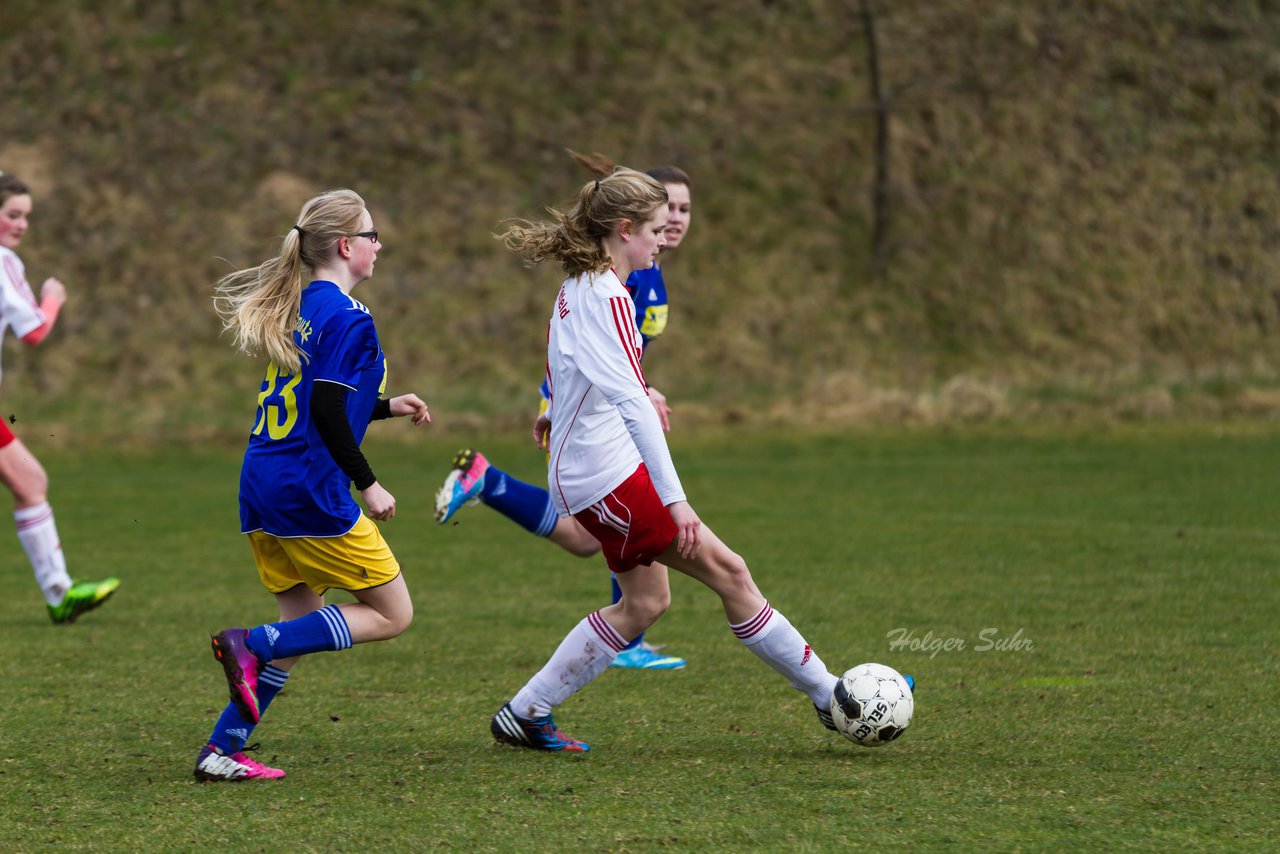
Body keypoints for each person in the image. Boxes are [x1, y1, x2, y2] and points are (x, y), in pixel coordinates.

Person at [486, 166, 878, 752]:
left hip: (594, 465)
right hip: (607, 474)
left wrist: (558, 412)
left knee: (647, 602)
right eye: (653, 229)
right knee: (729, 572)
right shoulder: (610, 296)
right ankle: (833, 698)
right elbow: (630, 404)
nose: (663, 237)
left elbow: (570, 364)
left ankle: (526, 711)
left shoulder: (579, 285)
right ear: (623, 230)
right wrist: (677, 501)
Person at [195, 189, 431, 782]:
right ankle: (252, 643)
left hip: (262, 482)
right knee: (393, 613)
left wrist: (381, 407)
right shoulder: (351, 317)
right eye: (373, 235)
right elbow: (326, 411)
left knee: (300, 629)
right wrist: (368, 484)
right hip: (308, 488)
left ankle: (222, 748)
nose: (380, 245)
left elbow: (316, 403)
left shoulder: (299, 304)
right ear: (348, 246)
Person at [434, 154, 695, 670]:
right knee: (600, 524)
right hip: (586, 405)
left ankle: (489, 483)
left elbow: (623, 353)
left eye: (687, 209)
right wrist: (622, 394)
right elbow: (594, 344)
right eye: (669, 212)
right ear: (633, 224)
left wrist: (644, 386)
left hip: (595, 401)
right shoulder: (624, 276)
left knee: (584, 534)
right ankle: (631, 626)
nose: (679, 221)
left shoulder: (649, 269)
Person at [0, 172, 119, 625]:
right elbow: (33, 331)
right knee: (31, 483)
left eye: (27, 216)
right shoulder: (3, 259)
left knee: (31, 482)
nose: (22, 224)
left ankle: (60, 592)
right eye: (13, 214)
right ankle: (59, 593)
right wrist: (52, 298)